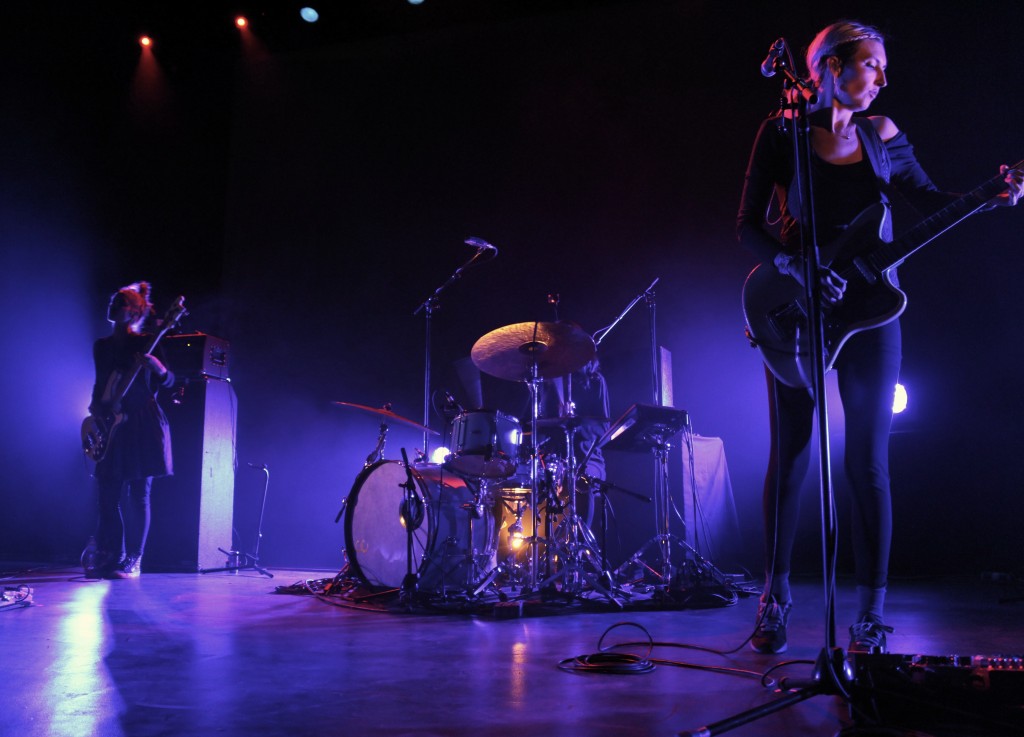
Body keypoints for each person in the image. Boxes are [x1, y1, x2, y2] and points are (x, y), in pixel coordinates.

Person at [736, 21, 1023, 654]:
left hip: (873, 314)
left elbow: (925, 197)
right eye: (871, 65)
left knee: (867, 462)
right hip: (798, 311)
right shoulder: (781, 133)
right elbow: (748, 226)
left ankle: (870, 614)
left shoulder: (883, 134)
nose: (882, 78)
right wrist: (794, 266)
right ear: (831, 67)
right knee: (790, 457)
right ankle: (775, 600)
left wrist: (989, 196)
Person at [87, 282, 175, 579]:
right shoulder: (102, 346)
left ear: (135, 311)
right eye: (112, 300)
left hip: (141, 421)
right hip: (112, 422)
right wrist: (96, 406)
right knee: (107, 494)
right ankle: (112, 554)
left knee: (139, 493)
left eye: (120, 301)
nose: (112, 304)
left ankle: (134, 559)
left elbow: (170, 381)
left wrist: (158, 368)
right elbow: (101, 383)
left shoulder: (147, 342)